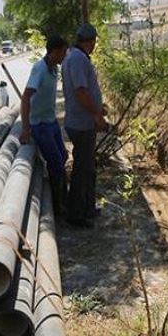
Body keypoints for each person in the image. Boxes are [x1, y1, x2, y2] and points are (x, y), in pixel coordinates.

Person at [61, 23, 106, 228]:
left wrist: (98, 106)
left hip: (80, 121)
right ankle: (76, 215)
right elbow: (80, 92)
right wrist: (96, 113)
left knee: (88, 168)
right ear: (91, 41)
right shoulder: (78, 59)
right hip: (82, 123)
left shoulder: (73, 56)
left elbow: (85, 91)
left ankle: (87, 208)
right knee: (82, 170)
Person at [21, 35, 69, 215]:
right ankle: (58, 206)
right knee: (56, 162)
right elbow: (26, 98)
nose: (65, 56)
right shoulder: (39, 69)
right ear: (54, 52)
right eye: (63, 52)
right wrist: (26, 129)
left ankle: (56, 194)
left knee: (63, 156)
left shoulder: (54, 68)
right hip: (39, 125)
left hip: (51, 121)